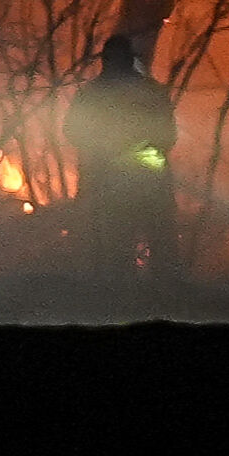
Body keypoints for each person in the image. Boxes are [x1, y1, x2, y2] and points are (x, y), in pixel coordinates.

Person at [66, 31, 176, 290]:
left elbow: (73, 131)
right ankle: (161, 295)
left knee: (116, 239)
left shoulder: (92, 94)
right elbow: (168, 134)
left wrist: (102, 152)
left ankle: (121, 293)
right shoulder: (151, 91)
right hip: (148, 179)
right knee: (155, 237)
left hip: (111, 179)